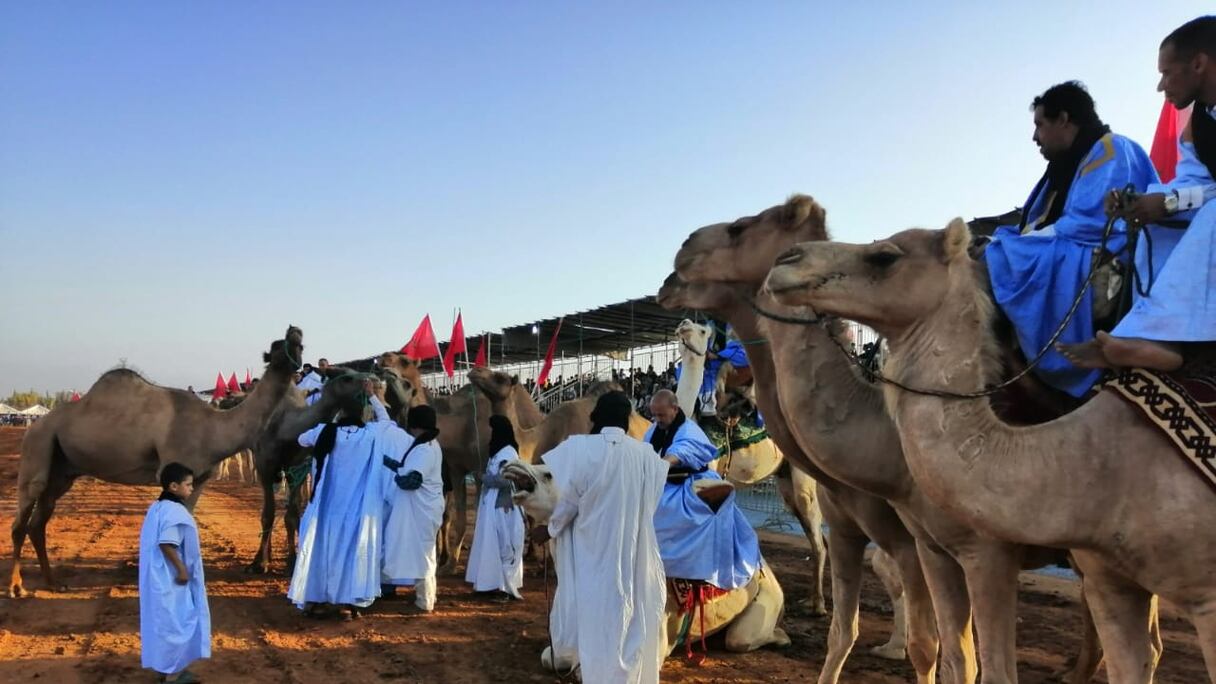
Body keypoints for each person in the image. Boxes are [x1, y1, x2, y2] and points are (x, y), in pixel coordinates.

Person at [1062, 16, 1216, 372]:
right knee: (1156, 220)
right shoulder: (1199, 124)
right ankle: (1159, 338)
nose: (1161, 86)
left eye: (1167, 72)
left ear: (1198, 64)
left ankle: (1148, 334)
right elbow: (1191, 182)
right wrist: (1148, 203)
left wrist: (1174, 201)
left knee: (1208, 213)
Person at [985, 81, 1159, 396]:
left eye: (1040, 124)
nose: (1034, 136)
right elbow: (1034, 225)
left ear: (1064, 119)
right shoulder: (1063, 168)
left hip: (1111, 252)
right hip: (1074, 244)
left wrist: (1010, 246)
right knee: (993, 248)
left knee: (999, 255)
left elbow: (1090, 224)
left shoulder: (1113, 149)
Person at [531, 391, 669, 683]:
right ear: (627, 419)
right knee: (630, 615)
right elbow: (652, 502)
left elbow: (568, 500)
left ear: (595, 416)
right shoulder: (645, 456)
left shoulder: (579, 449)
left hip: (591, 551)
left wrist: (550, 529)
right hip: (632, 549)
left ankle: (597, 674)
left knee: (595, 614)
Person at [287, 385, 393, 619]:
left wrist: (328, 421)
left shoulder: (325, 431)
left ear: (341, 414)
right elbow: (387, 421)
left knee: (320, 552)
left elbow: (302, 439)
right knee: (352, 555)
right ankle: (348, 604)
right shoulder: (371, 434)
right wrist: (373, 396)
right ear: (362, 414)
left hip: (325, 510)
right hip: (356, 511)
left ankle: (316, 600)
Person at [647, 389, 760, 590]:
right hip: (665, 483)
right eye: (654, 415)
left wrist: (662, 464)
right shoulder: (654, 428)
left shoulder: (689, 430)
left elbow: (683, 450)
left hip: (691, 484)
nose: (656, 419)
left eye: (661, 415)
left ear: (674, 409)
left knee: (669, 511)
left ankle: (703, 569)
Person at [139, 462, 210, 683]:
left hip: (156, 578)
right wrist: (181, 570)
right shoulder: (176, 512)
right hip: (171, 579)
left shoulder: (157, 507)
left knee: (162, 623)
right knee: (178, 623)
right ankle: (174, 675)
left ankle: (164, 669)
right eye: (188, 485)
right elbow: (166, 543)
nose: (191, 489)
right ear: (173, 486)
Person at [381, 405, 446, 613]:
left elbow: (412, 480)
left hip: (423, 510)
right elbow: (405, 466)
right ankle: (424, 597)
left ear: (415, 426)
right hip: (423, 509)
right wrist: (385, 461)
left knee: (424, 554)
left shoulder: (425, 449)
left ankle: (425, 601)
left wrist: (397, 479)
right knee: (423, 552)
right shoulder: (426, 445)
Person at [464, 414, 525, 600]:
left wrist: (483, 478)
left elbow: (506, 479)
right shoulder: (498, 453)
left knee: (505, 547)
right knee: (491, 545)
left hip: (504, 508)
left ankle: (507, 589)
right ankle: (490, 584)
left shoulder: (508, 454)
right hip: (492, 506)